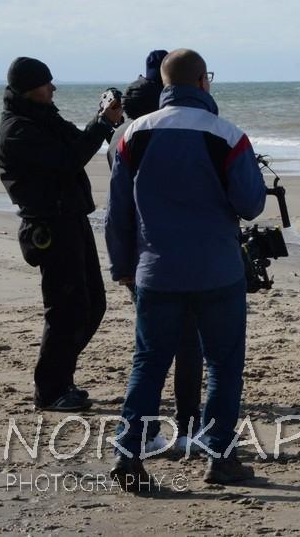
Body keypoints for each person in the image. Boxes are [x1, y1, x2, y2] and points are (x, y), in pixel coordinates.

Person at [105, 48, 267, 491]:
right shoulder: (227, 135)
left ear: (164, 84)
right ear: (202, 83)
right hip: (216, 270)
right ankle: (218, 456)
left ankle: (130, 453)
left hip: (155, 271)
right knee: (223, 364)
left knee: (149, 363)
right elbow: (251, 204)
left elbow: (117, 211)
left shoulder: (131, 134)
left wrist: (122, 266)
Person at [0, 56, 123, 411]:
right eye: (46, 83)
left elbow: (77, 144)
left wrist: (104, 119)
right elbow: (69, 159)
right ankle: (50, 389)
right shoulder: (18, 129)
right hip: (49, 226)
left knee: (92, 304)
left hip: (72, 220)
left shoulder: (42, 116)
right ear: (28, 88)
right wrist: (101, 124)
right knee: (66, 309)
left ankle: (59, 378)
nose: (53, 88)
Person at [106, 48, 204, 458]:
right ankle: (185, 431)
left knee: (150, 353)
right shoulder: (167, 133)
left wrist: (121, 265)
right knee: (184, 348)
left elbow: (118, 214)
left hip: (143, 262)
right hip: (179, 261)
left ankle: (142, 437)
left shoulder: (123, 137)